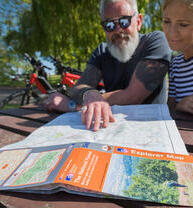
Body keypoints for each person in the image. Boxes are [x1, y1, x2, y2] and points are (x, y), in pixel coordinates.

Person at [44, 0, 171, 131]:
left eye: (124, 21)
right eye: (109, 24)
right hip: (107, 128)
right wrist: (90, 93)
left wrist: (76, 106)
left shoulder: (156, 41)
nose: (118, 30)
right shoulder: (102, 51)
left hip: (151, 130)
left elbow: (133, 96)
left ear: (138, 21)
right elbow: (79, 87)